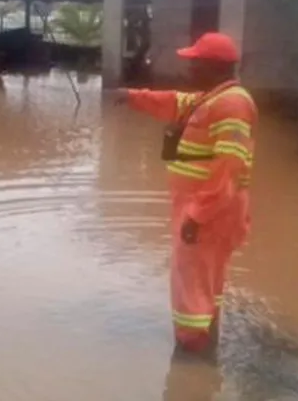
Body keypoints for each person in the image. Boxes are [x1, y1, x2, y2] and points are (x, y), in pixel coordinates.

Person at [110, 32, 257, 354]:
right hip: (209, 208)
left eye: (194, 62)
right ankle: (207, 337)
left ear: (212, 66)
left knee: (190, 279)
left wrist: (197, 216)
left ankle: (190, 360)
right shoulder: (212, 98)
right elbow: (175, 102)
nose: (188, 68)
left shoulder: (232, 104)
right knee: (207, 278)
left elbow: (227, 169)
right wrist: (131, 95)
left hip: (209, 211)